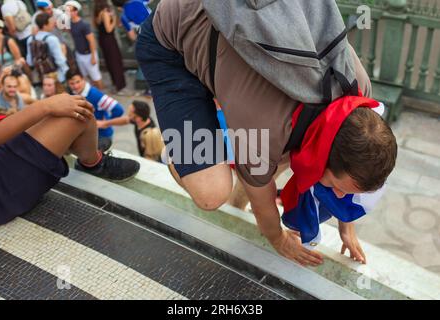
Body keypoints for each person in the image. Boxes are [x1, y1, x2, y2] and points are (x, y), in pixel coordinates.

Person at [136, 0, 398, 267]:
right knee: (211, 193)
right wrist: (278, 239)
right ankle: (178, 151)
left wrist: (347, 227)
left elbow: (350, 166)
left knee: (268, 161)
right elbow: (264, 207)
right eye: (338, 189)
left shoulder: (358, 91)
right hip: (172, 44)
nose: (340, 196)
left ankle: (222, 105)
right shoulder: (267, 124)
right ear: (324, 157)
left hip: (227, 50)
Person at [0, 93, 140, 228]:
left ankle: (80, 144)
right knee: (80, 113)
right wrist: (45, 106)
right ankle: (93, 161)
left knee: (68, 107)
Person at [66, 68, 124, 152]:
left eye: (78, 82)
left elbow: (118, 109)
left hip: (101, 136)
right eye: (71, 83)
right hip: (88, 135)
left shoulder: (95, 95)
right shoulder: (72, 93)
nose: (75, 86)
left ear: (83, 79)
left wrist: (106, 123)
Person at [111, 0, 151, 93]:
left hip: (145, 39)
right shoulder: (139, 1)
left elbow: (132, 36)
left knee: (147, 64)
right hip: (159, 31)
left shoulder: (124, 16)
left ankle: (147, 88)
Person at [65, 1, 104, 90]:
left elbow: (92, 41)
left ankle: (102, 94)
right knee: (85, 76)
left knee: (96, 77)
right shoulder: (70, 23)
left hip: (89, 54)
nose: (69, 13)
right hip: (79, 54)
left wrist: (93, 56)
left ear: (76, 11)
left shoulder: (84, 25)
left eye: (71, 11)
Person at [93, 0, 129, 95]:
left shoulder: (97, 13)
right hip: (109, 40)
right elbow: (109, 29)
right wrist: (113, 17)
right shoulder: (105, 13)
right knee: (115, 62)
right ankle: (119, 86)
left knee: (110, 62)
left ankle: (115, 83)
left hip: (103, 40)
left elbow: (96, 26)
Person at [27, 13, 69, 83]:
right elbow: (60, 61)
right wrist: (67, 72)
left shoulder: (30, 39)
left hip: (43, 79)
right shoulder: (52, 39)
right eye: (51, 23)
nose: (53, 24)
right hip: (58, 77)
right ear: (44, 26)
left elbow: (30, 62)